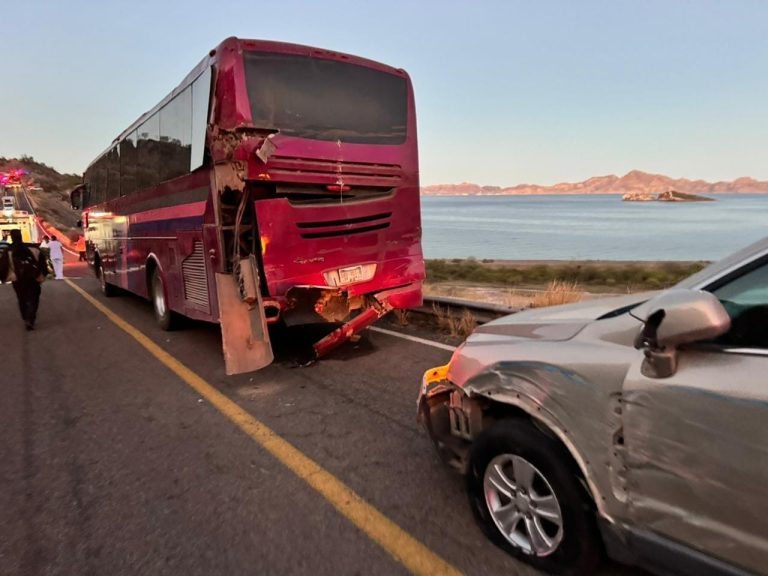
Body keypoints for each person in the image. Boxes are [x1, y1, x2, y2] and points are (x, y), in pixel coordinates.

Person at [0, 229, 46, 330]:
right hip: (33, 278)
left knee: (22, 298)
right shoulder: (33, 248)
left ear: (11, 237)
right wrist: (42, 275)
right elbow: (42, 262)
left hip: (18, 280)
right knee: (34, 298)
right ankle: (31, 318)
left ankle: (26, 317)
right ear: (21, 235)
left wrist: (3, 277)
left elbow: (3, 265)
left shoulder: (9, 250)